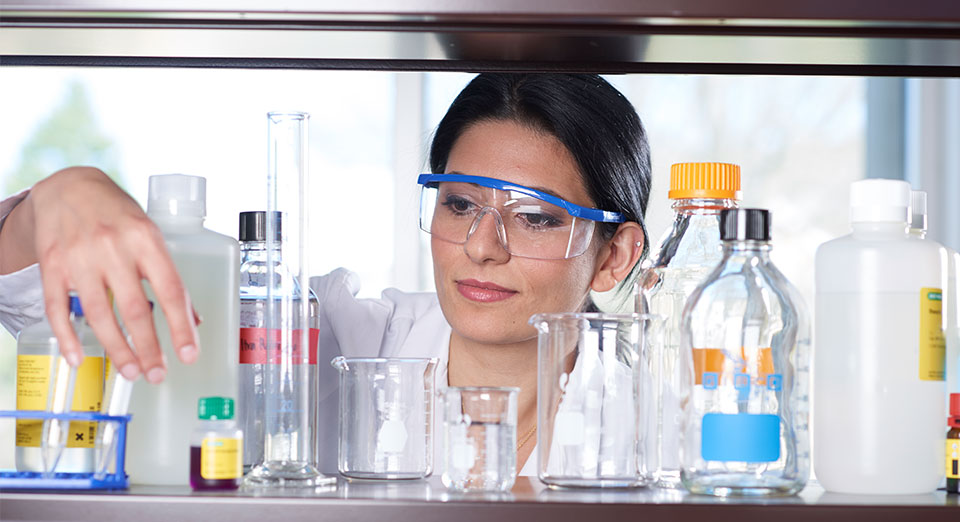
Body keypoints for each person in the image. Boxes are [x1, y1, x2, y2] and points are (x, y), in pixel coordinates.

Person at [0, 73, 652, 475]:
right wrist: (63, 197)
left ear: (615, 255)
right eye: (459, 204)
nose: (482, 246)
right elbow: (38, 297)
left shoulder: (663, 416)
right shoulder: (341, 341)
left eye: (535, 217)